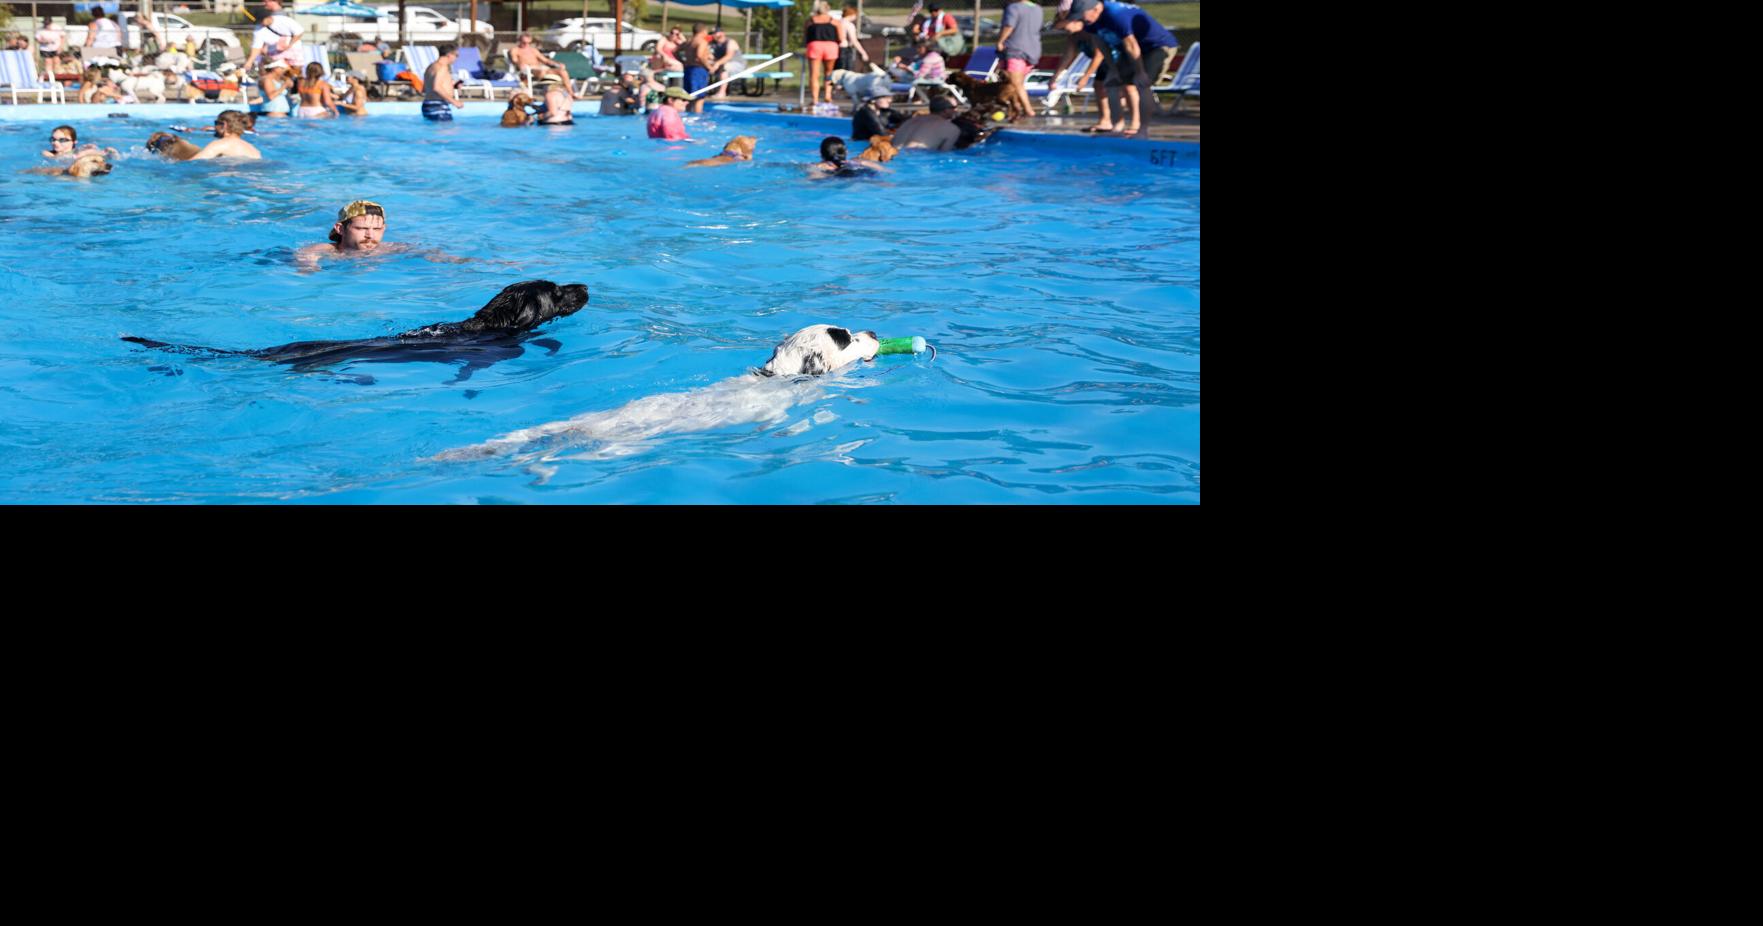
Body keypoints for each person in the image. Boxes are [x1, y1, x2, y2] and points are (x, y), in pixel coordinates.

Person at [1061, 0, 1177, 135]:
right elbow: (1101, 44)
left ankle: (1142, 129)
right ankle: (1117, 127)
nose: (1081, 19)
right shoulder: (1090, 21)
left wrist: (1140, 72)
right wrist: (1113, 70)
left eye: (1082, 15)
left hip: (1157, 46)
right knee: (1111, 83)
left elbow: (1131, 44)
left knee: (1141, 83)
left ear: (1096, 9)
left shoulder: (1116, 14)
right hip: (1130, 49)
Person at [996, 0, 1043, 123]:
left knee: (1015, 83)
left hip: (1015, 49)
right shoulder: (1038, 8)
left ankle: (1028, 110)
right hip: (1033, 50)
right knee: (1018, 83)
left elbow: (1009, 26)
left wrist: (1001, 41)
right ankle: (1016, 110)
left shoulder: (1013, 7)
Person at [242, 0, 304, 73]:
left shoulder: (282, 19)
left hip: (293, 54)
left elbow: (299, 31)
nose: (263, 22)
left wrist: (289, 45)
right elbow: (257, 47)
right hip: (275, 56)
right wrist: (249, 62)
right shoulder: (258, 29)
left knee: (295, 74)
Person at [509, 34, 577, 98]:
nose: (526, 45)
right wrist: (519, 63)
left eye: (529, 43)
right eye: (524, 42)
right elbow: (514, 60)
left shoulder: (533, 50)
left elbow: (545, 60)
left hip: (541, 68)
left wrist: (557, 64)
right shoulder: (515, 50)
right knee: (542, 71)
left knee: (562, 72)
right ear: (520, 41)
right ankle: (539, 90)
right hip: (528, 70)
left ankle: (571, 93)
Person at [888, 94, 961, 151]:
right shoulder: (951, 129)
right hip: (916, 159)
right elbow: (944, 156)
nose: (957, 110)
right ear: (946, 110)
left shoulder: (910, 121)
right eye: (954, 107)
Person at [804, 1, 840, 107]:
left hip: (814, 46)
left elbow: (806, 36)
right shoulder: (835, 22)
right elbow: (841, 38)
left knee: (814, 75)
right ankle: (827, 96)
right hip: (831, 47)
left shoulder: (810, 21)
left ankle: (815, 99)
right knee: (828, 73)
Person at [191, 110, 262, 159]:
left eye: (216, 123)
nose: (215, 127)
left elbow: (192, 164)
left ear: (224, 125)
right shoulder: (254, 150)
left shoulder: (220, 144)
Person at [422, 44, 465, 121]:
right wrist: (454, 102)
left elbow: (425, 88)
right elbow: (437, 87)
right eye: (456, 55)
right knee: (449, 131)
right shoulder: (442, 67)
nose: (456, 58)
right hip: (438, 106)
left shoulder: (431, 67)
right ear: (449, 55)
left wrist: (452, 86)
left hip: (427, 105)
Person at [677, 23, 712, 113]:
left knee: (689, 97)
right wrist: (708, 67)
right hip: (698, 70)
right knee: (699, 98)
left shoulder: (689, 41)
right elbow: (699, 55)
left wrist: (683, 61)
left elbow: (675, 51)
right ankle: (698, 117)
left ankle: (688, 115)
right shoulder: (702, 41)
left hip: (688, 69)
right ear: (703, 31)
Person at [807, 136, 881, 178]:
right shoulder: (858, 162)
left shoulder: (819, 166)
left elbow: (811, 182)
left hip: (836, 177)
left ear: (821, 153)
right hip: (859, 173)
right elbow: (884, 170)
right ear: (846, 152)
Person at [707, 28, 741, 101]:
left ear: (722, 33)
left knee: (725, 67)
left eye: (715, 33)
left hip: (736, 65)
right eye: (712, 33)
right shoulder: (713, 44)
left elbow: (729, 56)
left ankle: (722, 92)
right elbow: (709, 56)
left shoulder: (730, 42)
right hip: (720, 65)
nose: (713, 35)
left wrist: (717, 63)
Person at [836, 6, 870, 75]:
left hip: (835, 49)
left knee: (837, 72)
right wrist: (863, 52)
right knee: (846, 72)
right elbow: (854, 40)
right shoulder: (849, 25)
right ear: (852, 15)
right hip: (845, 50)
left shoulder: (837, 22)